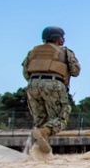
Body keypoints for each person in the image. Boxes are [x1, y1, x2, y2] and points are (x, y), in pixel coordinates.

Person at [22, 26, 80, 154]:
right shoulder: (65, 52)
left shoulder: (33, 52)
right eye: (62, 37)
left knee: (40, 120)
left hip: (32, 84)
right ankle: (44, 132)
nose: (63, 40)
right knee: (61, 116)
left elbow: (25, 72)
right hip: (53, 83)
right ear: (57, 39)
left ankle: (40, 153)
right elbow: (75, 71)